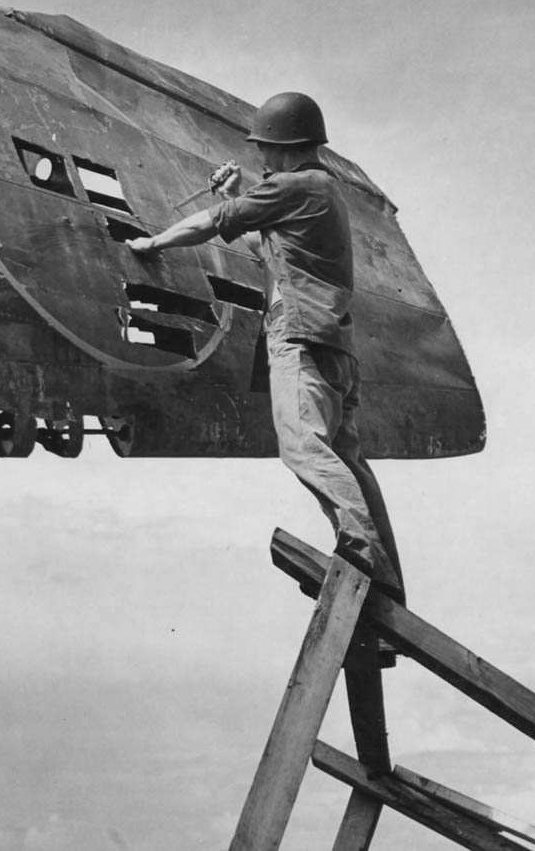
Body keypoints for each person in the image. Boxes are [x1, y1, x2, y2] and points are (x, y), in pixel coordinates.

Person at [128, 92, 404, 601]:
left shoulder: (297, 184)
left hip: (300, 336)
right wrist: (238, 194)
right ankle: (386, 589)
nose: (258, 157)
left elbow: (212, 224)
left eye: (263, 149)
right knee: (347, 460)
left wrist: (152, 243)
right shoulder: (317, 192)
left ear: (284, 147)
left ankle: (367, 565)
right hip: (332, 344)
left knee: (304, 448)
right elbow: (265, 244)